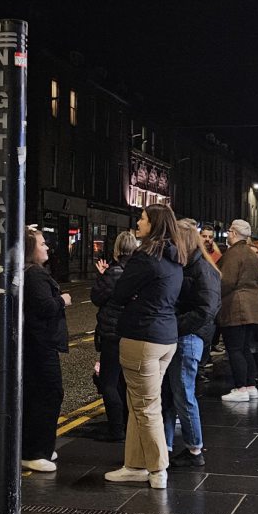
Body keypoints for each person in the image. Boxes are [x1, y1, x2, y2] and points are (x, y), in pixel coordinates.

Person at [104, 204, 191, 488]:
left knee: (145, 407)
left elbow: (119, 293)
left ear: (153, 224)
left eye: (142, 219)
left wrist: (133, 297)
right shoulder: (175, 257)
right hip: (166, 338)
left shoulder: (146, 257)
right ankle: (134, 464)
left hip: (142, 337)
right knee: (138, 403)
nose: (137, 222)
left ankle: (157, 469)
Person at [166, 218, 221, 470]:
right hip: (181, 335)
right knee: (170, 393)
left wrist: (176, 324)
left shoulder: (201, 269)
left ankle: (194, 449)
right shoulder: (188, 264)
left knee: (183, 394)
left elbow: (206, 309)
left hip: (189, 337)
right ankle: (164, 446)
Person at [22, 226, 69, 473]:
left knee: (42, 395)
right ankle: (34, 452)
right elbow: (44, 307)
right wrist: (64, 300)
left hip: (37, 344)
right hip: (41, 345)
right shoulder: (35, 275)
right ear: (31, 249)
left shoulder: (31, 272)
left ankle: (41, 446)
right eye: (42, 244)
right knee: (48, 394)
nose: (47, 247)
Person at [92, 231, 138, 442]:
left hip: (112, 334)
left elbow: (97, 297)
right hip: (131, 333)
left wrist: (102, 275)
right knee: (125, 382)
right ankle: (128, 424)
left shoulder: (114, 271)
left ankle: (115, 429)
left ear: (117, 248)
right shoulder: (136, 270)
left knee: (108, 381)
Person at [216, 219, 258, 403]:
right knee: (245, 347)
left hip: (237, 306)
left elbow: (226, 281)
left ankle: (240, 387)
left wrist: (214, 297)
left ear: (234, 233)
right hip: (254, 306)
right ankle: (250, 385)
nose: (228, 234)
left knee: (235, 348)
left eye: (229, 231)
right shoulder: (253, 254)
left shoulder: (233, 254)